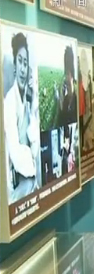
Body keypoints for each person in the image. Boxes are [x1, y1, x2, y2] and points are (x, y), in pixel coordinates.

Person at [4, 32, 41, 203]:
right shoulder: (9, 102)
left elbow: (36, 147)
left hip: (31, 187)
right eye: (20, 61)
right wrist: (31, 156)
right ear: (14, 65)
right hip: (17, 191)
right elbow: (17, 156)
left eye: (26, 63)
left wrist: (33, 108)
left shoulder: (27, 101)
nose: (23, 69)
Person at [55, 46, 78, 127]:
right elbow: (61, 120)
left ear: (72, 77)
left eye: (68, 74)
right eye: (66, 74)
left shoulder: (76, 100)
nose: (66, 78)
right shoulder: (65, 100)